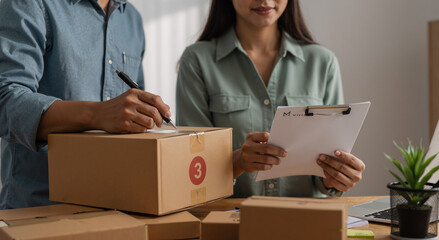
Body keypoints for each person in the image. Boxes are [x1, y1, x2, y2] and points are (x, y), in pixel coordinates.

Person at [176, 0, 365, 198]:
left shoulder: (322, 62)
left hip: (308, 221)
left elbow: (326, 172)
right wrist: (238, 162)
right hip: (231, 222)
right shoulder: (197, 61)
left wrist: (337, 177)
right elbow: (193, 169)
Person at [0, 0, 171, 209]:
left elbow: (135, 112)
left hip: (118, 205)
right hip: (40, 208)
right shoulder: (30, 3)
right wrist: (96, 115)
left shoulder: (131, 18)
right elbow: (6, 100)